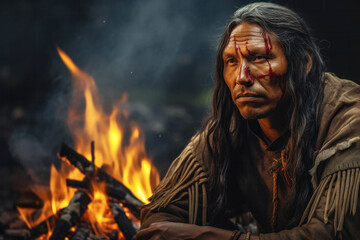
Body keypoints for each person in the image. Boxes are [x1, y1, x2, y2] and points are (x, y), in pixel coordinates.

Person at [136, 2, 360, 239]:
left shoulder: (348, 126)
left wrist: (215, 236)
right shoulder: (229, 129)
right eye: (231, 61)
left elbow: (332, 234)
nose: (242, 77)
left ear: (303, 64)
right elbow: (160, 216)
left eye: (258, 57)